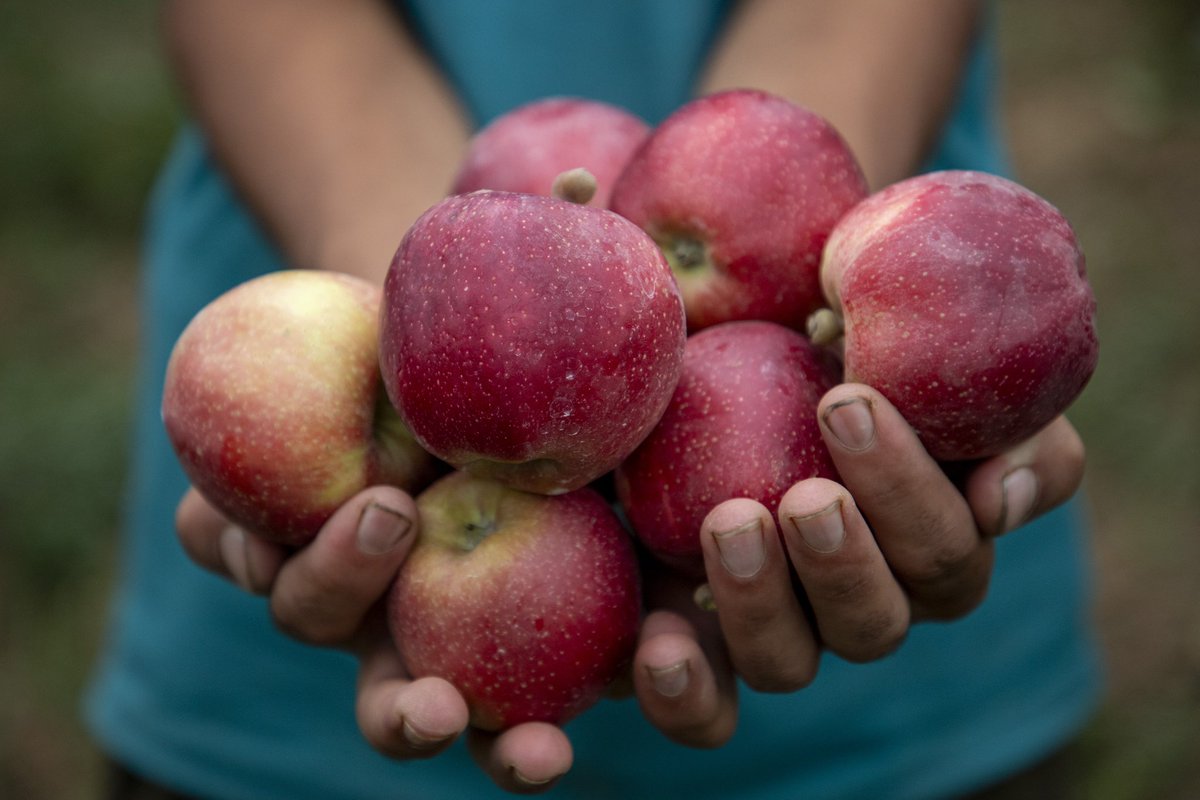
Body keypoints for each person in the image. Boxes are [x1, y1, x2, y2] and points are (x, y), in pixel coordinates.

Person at [86, 1, 1102, 797]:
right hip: (279, 712)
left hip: (893, 717)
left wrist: (791, 259)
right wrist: (411, 309)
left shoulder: (846, 338)